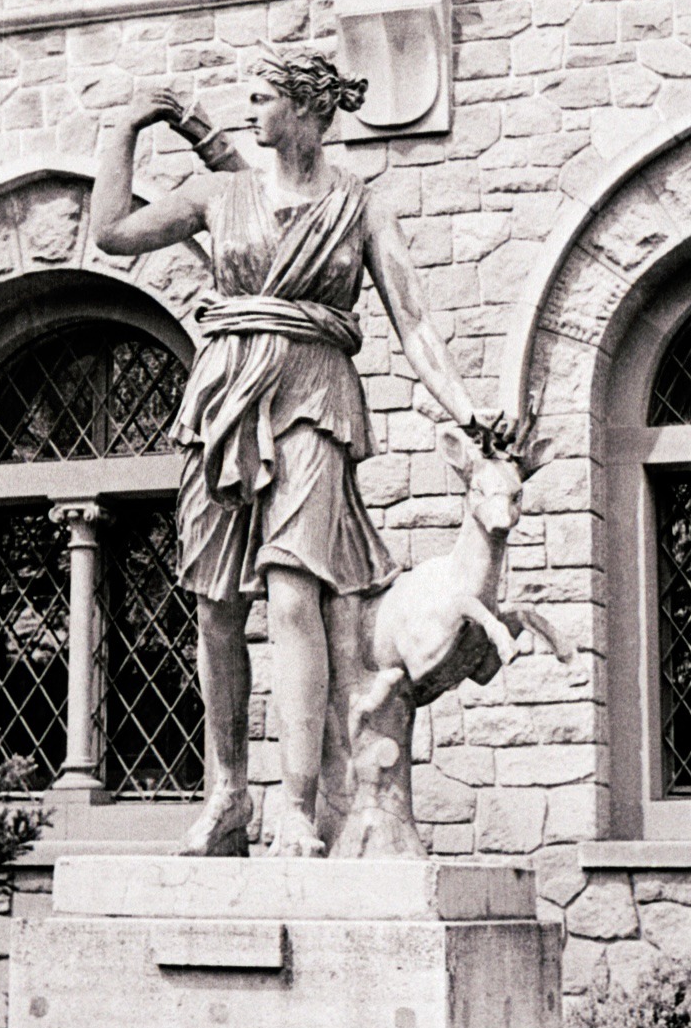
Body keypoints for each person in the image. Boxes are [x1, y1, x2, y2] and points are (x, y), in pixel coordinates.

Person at [91, 51, 482, 856]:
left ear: (306, 111)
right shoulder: (218, 193)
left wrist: (469, 411)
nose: (249, 110)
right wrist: (124, 128)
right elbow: (111, 234)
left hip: (313, 394)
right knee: (214, 605)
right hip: (225, 394)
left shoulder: (357, 207)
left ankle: (297, 806)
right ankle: (228, 794)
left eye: (263, 97)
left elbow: (413, 320)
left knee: (294, 592)